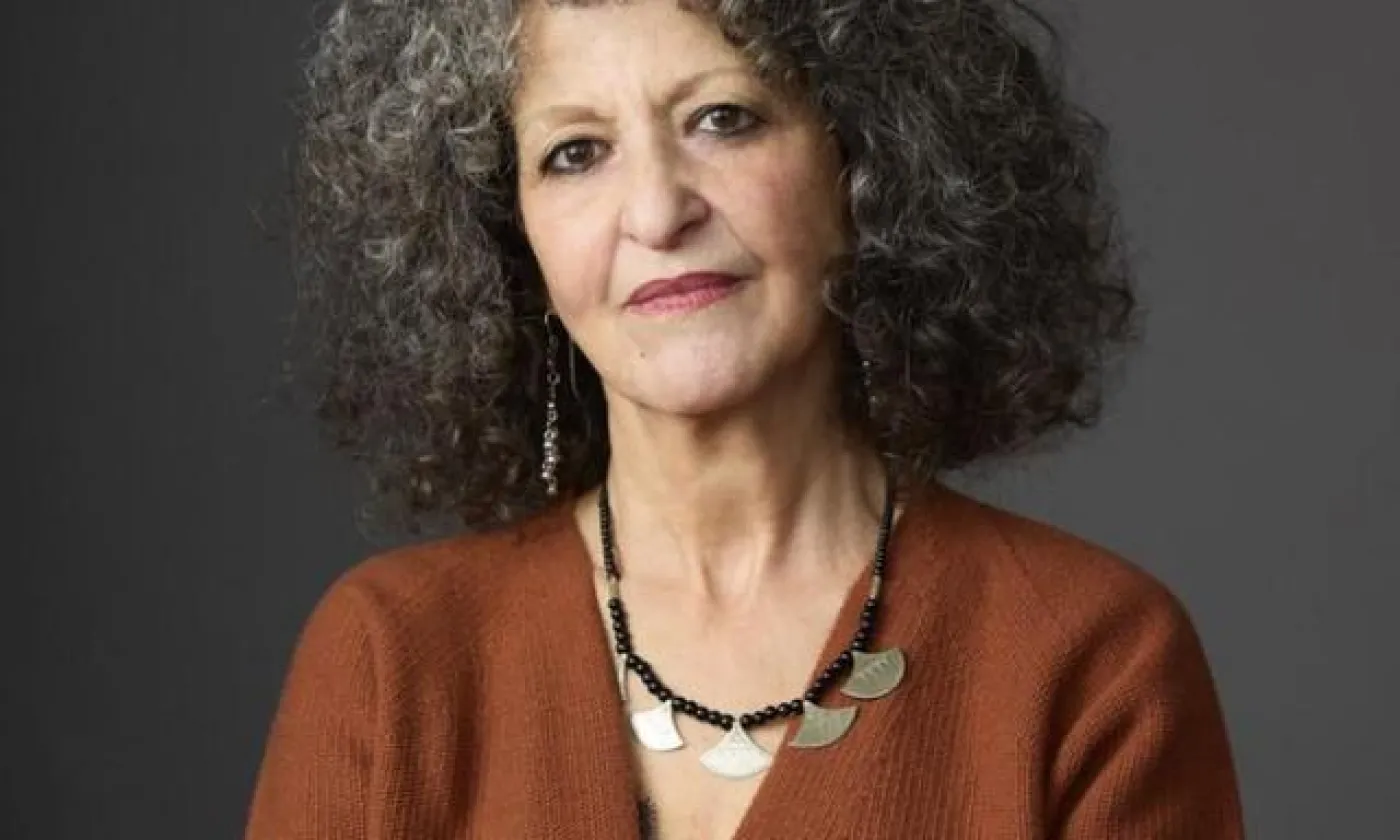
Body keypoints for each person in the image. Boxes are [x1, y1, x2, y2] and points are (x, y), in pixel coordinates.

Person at [246, 0, 1244, 837]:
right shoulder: (390, 661)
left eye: (722, 119)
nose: (656, 211)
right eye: (575, 152)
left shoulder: (1089, 659)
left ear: (865, 159)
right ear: (511, 241)